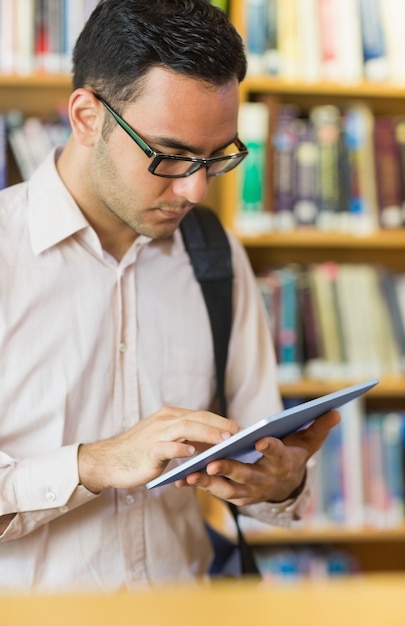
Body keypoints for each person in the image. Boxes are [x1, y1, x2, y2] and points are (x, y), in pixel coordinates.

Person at [0, 0, 340, 591]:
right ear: (86, 116)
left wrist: (278, 481)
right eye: (171, 155)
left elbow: (264, 469)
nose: (195, 189)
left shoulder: (215, 255)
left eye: (217, 158)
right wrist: (95, 463)